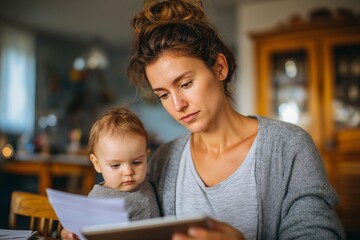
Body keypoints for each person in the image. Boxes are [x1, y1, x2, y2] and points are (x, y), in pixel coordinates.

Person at [62, 0, 344, 239]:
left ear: (219, 68)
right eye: (163, 94)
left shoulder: (289, 146)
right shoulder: (162, 160)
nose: (177, 105)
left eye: (185, 84)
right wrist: (83, 228)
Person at [87, 107, 160, 221]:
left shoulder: (147, 183)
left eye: (136, 162)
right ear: (97, 164)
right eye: (115, 165)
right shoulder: (99, 200)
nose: (128, 172)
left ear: (146, 156)